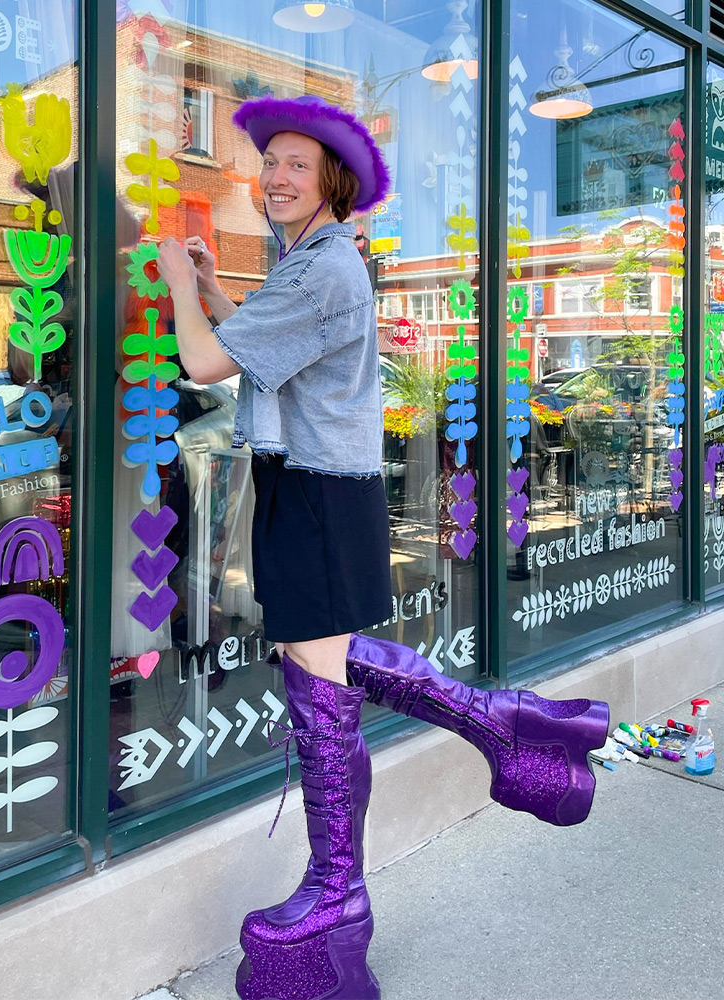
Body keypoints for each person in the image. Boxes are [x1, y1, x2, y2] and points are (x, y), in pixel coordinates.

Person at [157, 94, 610, 1000]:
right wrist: (213, 288)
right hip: (316, 489)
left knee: (319, 689)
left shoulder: (325, 269)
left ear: (332, 181)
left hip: (321, 496)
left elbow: (205, 364)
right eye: (270, 163)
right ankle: (501, 727)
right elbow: (258, 343)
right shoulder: (310, 262)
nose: (275, 177)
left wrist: (174, 277)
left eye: (295, 164)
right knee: (315, 669)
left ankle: (337, 898)